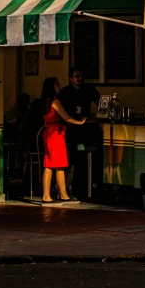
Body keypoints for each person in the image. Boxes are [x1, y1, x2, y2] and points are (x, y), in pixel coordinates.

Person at [41, 76, 86, 204]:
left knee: (50, 165)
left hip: (49, 132)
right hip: (56, 134)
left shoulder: (45, 101)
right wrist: (81, 122)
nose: (59, 86)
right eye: (57, 84)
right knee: (58, 165)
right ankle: (61, 195)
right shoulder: (55, 101)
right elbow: (66, 118)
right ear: (52, 86)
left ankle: (51, 195)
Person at [59, 67, 101, 198]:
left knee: (90, 154)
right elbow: (62, 115)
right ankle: (72, 186)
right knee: (72, 159)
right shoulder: (64, 92)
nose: (80, 79)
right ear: (71, 79)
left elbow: (102, 102)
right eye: (76, 76)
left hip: (86, 129)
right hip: (70, 130)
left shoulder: (89, 90)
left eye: (81, 76)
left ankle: (89, 184)